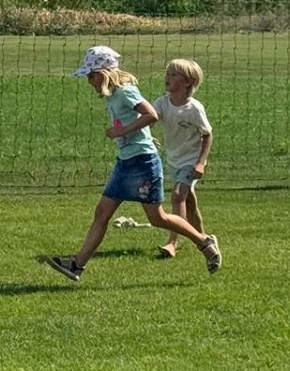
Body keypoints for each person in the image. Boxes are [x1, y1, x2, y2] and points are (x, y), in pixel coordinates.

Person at [45, 46, 221, 281]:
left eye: (92, 75)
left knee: (157, 218)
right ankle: (77, 265)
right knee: (102, 213)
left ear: (104, 73)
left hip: (142, 163)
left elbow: (151, 114)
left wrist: (123, 131)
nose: (89, 81)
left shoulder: (125, 92)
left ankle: (204, 242)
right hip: (126, 162)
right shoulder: (114, 94)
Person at [152, 58, 213, 260]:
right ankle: (203, 238)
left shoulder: (194, 108)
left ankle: (173, 243)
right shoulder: (162, 103)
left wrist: (201, 162)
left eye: (173, 74)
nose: (167, 77)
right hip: (173, 160)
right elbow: (148, 120)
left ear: (187, 82)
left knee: (178, 195)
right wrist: (147, 136)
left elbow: (207, 135)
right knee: (189, 201)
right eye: (167, 73)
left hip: (191, 161)